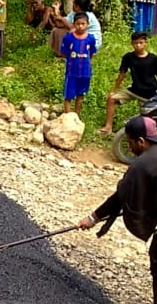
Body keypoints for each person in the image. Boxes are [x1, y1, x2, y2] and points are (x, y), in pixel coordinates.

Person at [78, 115, 157, 303]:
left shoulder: (142, 165)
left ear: (141, 141)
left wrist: (93, 217)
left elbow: (120, 198)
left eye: (130, 143)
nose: (130, 148)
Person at [99, 32, 157, 133]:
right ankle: (108, 126)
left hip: (149, 93)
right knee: (111, 99)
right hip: (134, 90)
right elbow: (122, 74)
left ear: (145, 43)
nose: (138, 45)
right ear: (131, 44)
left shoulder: (153, 58)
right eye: (135, 43)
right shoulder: (128, 57)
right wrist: (114, 90)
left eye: (141, 42)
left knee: (147, 119)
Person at [61, 12, 97, 114]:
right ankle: (67, 116)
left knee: (81, 94)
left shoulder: (91, 38)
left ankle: (76, 116)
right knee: (68, 95)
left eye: (83, 24)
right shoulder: (69, 37)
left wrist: (87, 64)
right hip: (71, 71)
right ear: (74, 24)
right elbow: (64, 51)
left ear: (87, 24)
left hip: (85, 72)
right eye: (78, 24)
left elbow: (91, 53)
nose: (80, 26)